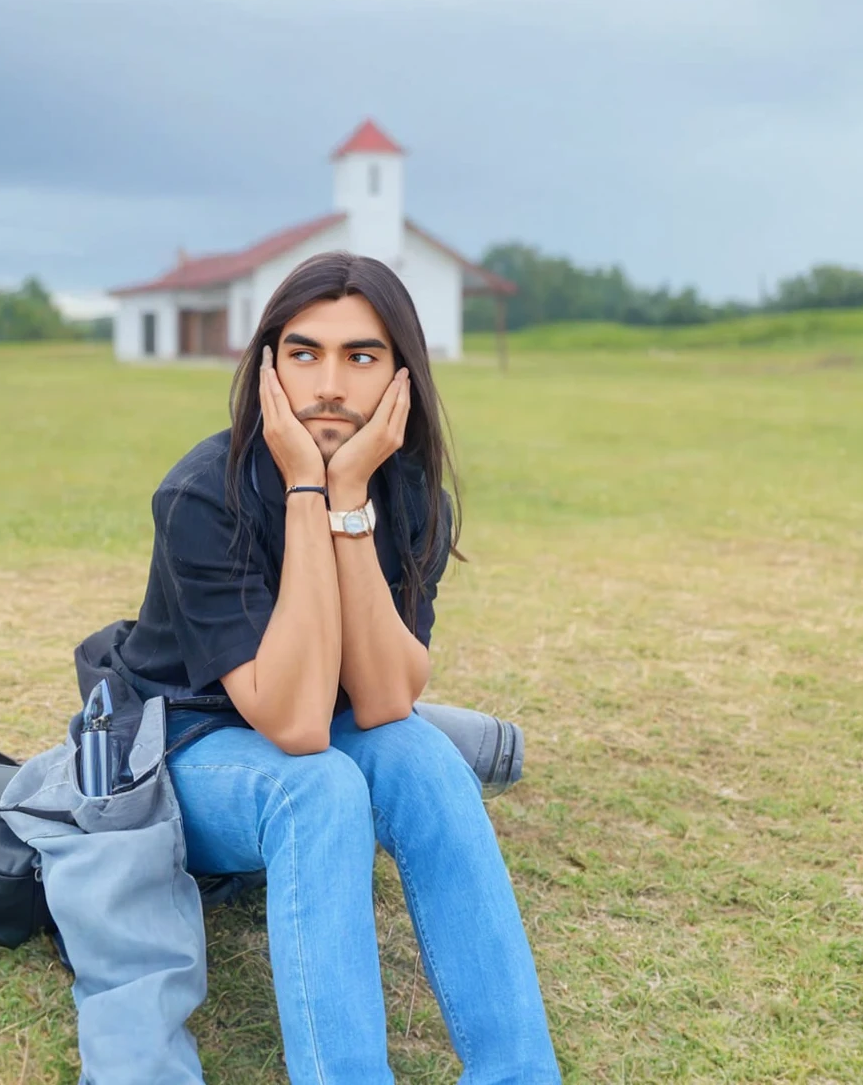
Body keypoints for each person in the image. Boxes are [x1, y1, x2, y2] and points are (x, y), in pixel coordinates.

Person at [114, 251, 561, 1084]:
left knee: (426, 759)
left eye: (362, 356)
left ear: (401, 378)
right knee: (317, 785)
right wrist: (305, 493)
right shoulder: (202, 493)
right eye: (303, 352)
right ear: (267, 369)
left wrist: (349, 497)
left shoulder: (409, 491)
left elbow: (388, 701)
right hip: (194, 746)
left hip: (334, 723)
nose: (329, 383)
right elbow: (292, 722)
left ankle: (519, 1074)